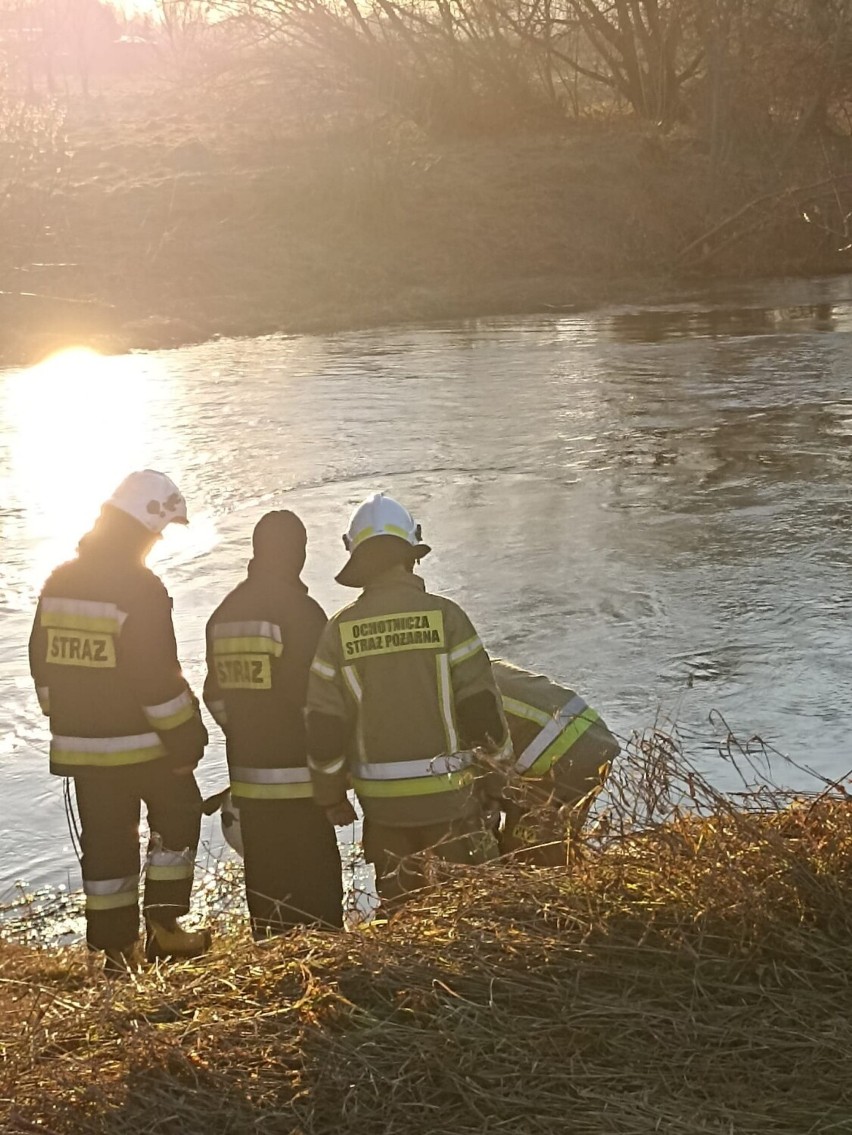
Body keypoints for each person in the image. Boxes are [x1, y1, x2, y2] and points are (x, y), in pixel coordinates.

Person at [28, 470, 210, 972]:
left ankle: (115, 953)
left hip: (82, 749)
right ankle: (165, 928)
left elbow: (40, 662)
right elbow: (155, 678)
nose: (158, 542)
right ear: (141, 526)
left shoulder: (58, 581)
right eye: (159, 532)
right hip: (141, 743)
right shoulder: (140, 587)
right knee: (179, 813)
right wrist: (188, 738)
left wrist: (62, 715)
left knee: (107, 844)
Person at [306, 492, 511, 914]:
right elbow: (481, 713)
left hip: (383, 811)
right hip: (453, 802)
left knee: (403, 920)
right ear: (411, 555)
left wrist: (330, 796)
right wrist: (498, 782)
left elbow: (324, 728)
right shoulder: (447, 618)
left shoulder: (338, 632)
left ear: (358, 562)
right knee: (470, 915)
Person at [204, 510, 343, 936]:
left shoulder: (222, 616)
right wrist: (334, 787)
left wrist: (248, 733)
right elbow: (320, 708)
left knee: (269, 902)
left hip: (251, 789)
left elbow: (215, 697)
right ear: (298, 555)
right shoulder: (302, 613)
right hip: (304, 789)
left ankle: (278, 980)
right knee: (318, 905)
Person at [492, 659, 620, 866]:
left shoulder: (453, 695)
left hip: (563, 758)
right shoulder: (478, 669)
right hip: (592, 741)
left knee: (524, 857)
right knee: (554, 846)